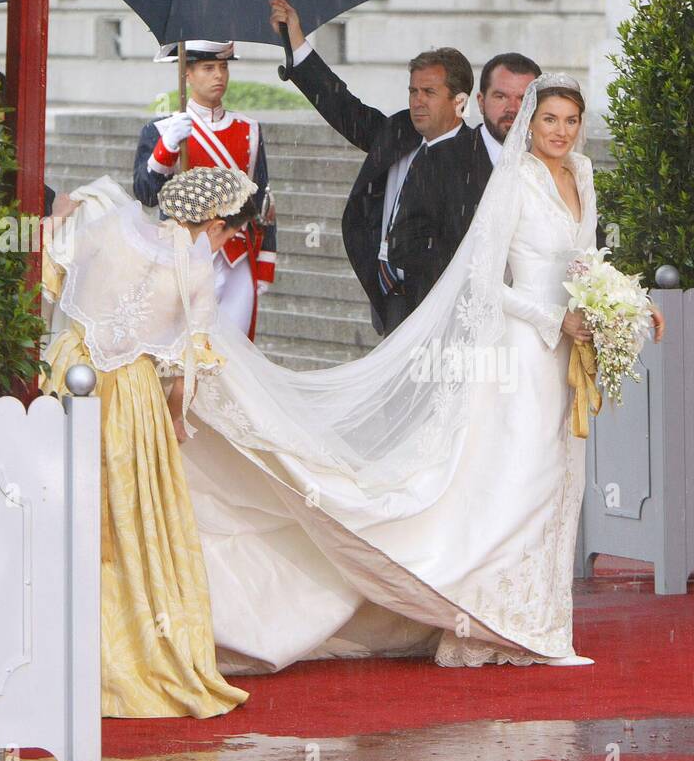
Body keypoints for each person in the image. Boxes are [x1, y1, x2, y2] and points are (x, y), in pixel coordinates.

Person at [172, 74, 665, 672]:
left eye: (570, 121)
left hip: (568, 352)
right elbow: (485, 279)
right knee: (520, 484)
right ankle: (488, 617)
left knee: (556, 482)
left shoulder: (583, 174)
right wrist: (554, 318)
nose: (560, 132)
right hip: (522, 349)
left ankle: (535, 620)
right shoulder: (515, 178)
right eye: (549, 120)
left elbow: (585, 260)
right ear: (529, 125)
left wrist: (626, 302)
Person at [40, 167, 254, 718]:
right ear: (214, 222)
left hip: (72, 371)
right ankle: (130, 645)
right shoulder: (195, 268)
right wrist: (178, 422)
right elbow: (188, 370)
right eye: (229, 232)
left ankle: (48, 640)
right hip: (132, 395)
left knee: (60, 500)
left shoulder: (113, 223)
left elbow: (53, 270)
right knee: (129, 518)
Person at [268, 0, 472, 336]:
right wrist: (296, 42)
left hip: (442, 306)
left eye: (429, 92)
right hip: (389, 296)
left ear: (459, 101)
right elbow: (342, 107)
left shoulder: (473, 155)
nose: (418, 101)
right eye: (413, 91)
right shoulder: (399, 131)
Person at [133, 40, 277, 341]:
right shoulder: (162, 130)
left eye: (223, 67)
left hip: (237, 257)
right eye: (208, 68)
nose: (219, 76)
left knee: (234, 355)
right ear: (187, 73)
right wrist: (167, 148)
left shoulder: (248, 129)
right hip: (183, 257)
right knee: (185, 349)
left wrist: (264, 265)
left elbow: (262, 202)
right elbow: (145, 194)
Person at [385, 52, 543, 310]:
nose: (513, 108)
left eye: (524, 98)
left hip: (532, 323)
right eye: (501, 96)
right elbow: (403, 245)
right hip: (455, 320)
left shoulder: (550, 165)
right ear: (481, 101)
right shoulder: (439, 158)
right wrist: (472, 272)